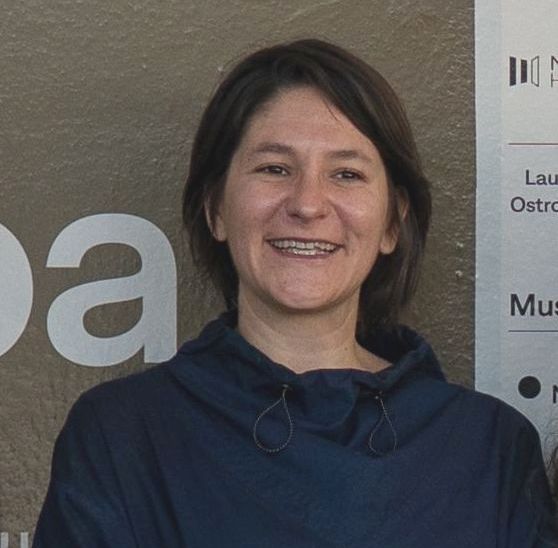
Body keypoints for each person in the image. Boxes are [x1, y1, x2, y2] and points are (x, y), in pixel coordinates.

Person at [33, 39, 557, 547]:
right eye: (275, 169)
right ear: (215, 208)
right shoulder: (122, 435)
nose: (308, 204)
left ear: (393, 223)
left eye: (346, 174)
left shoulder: (491, 447)